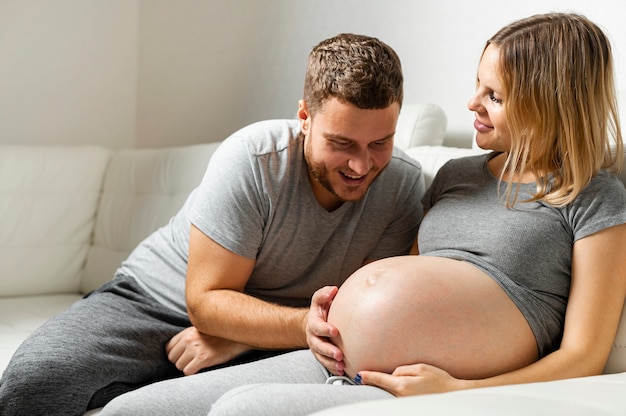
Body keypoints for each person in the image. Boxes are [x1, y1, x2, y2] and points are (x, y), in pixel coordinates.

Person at [97, 12, 626, 416]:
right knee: (130, 411)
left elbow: (583, 356)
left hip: (416, 381)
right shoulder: (457, 175)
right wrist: (256, 330)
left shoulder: (594, 197)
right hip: (337, 354)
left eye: (494, 96)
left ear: (548, 103)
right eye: (478, 85)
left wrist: (460, 391)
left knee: (239, 410)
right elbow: (410, 276)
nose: (471, 104)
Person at [0, 33, 425, 416]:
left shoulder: (403, 186)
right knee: (34, 383)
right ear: (304, 117)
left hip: (278, 336)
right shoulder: (254, 159)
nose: (361, 164)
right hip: (155, 301)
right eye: (341, 143)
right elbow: (204, 302)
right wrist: (292, 327)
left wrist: (243, 337)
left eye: (379, 143)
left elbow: (354, 312)